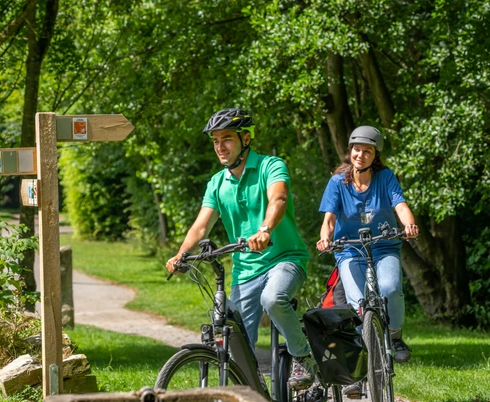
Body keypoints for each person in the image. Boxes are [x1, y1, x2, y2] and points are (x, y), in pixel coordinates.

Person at [166, 108, 317, 388]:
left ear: (245, 139)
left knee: (273, 299)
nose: (220, 147)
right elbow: (201, 227)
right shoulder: (217, 183)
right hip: (245, 269)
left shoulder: (270, 166)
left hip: (284, 258)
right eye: (215, 141)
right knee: (235, 342)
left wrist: (265, 229)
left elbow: (279, 199)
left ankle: (302, 356)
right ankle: (253, 389)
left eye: (227, 139)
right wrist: (181, 254)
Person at [316, 125, 418, 362]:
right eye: (356, 150)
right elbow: (329, 220)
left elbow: (400, 206)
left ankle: (394, 335)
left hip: (384, 247)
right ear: (350, 151)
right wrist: (325, 239)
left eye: (367, 152)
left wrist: (409, 225)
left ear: (375, 156)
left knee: (391, 289)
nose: (360, 155)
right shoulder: (337, 183)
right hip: (349, 250)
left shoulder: (385, 177)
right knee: (356, 301)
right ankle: (366, 352)